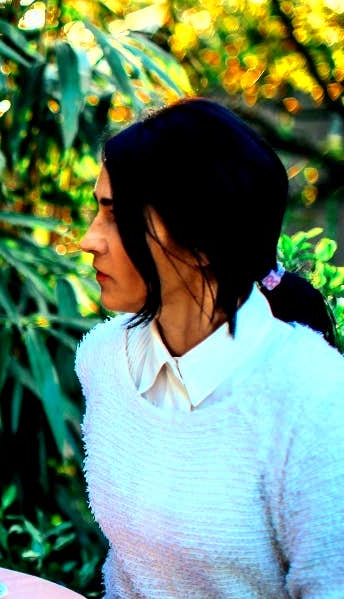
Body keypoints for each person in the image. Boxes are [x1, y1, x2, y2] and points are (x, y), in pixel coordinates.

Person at [76, 98, 344, 598]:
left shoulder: (317, 400)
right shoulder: (103, 359)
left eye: (115, 216)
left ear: (202, 242)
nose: (90, 239)